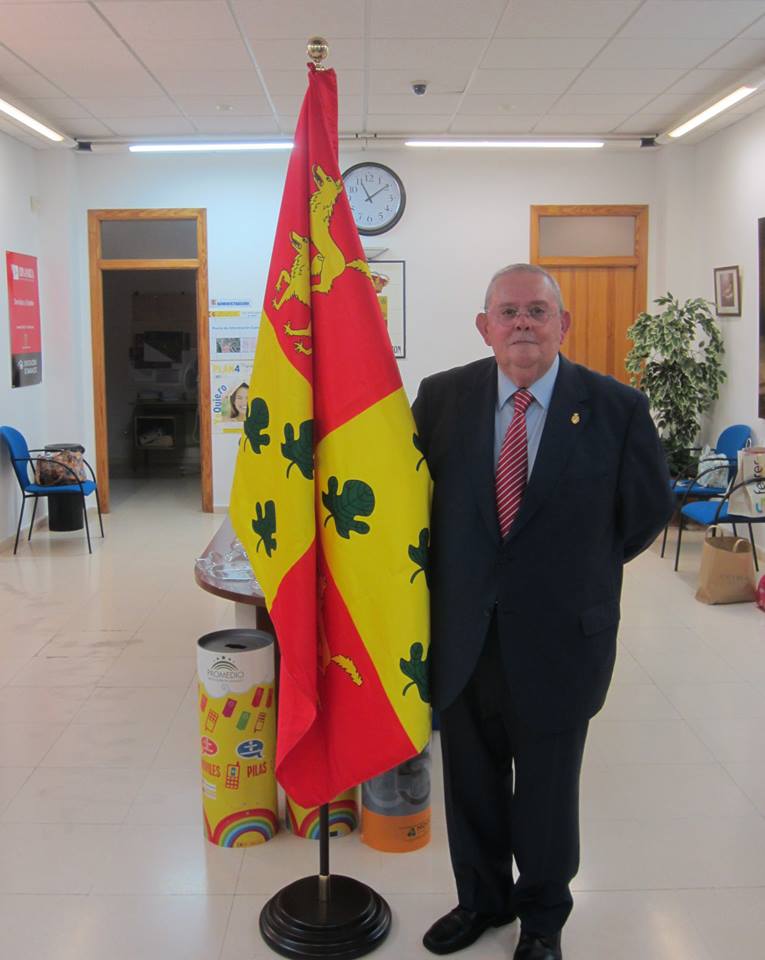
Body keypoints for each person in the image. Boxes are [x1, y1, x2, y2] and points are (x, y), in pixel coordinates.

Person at [413, 264, 674, 960]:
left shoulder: (616, 408)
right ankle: (480, 902)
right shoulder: (440, 399)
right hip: (464, 635)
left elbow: (646, 513)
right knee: (469, 782)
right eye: (507, 312)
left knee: (548, 796)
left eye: (537, 310)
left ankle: (541, 921)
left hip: (561, 639)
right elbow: (416, 508)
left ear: (563, 324)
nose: (522, 323)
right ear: (484, 327)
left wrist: (572, 570)